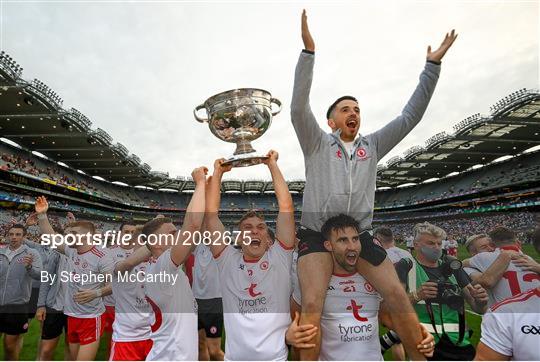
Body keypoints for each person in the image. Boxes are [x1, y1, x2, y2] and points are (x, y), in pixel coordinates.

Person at [291, 9, 457, 359]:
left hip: (358, 232)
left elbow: (410, 117)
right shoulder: (317, 143)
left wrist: (432, 68)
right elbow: (296, 108)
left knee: (397, 295)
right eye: (346, 109)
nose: (354, 113)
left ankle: (422, 356)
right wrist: (308, 52)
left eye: (357, 109)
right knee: (312, 305)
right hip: (316, 233)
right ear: (331, 119)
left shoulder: (373, 146)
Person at [205, 151, 317, 360]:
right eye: (247, 228)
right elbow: (211, 216)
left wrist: (272, 164)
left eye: (261, 227)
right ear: (238, 239)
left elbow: (286, 207)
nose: (254, 231)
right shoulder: (227, 260)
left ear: (268, 239)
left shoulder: (280, 258)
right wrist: (218, 173)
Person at [293, 215, 435, 360]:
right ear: (328, 245)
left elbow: (387, 318)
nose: (352, 246)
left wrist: (421, 335)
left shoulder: (373, 279)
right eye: (343, 240)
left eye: (355, 239)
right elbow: (300, 335)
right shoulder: (314, 285)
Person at [120, 166, 207, 361]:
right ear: (156, 243)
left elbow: (193, 228)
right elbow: (192, 226)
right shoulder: (162, 267)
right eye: (171, 234)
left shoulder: (160, 265)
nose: (177, 236)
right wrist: (200, 183)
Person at [35, 197, 114, 361]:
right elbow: (50, 236)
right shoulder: (71, 251)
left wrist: (96, 293)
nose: (68, 236)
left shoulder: (102, 256)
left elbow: (114, 285)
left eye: (73, 233)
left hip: (91, 317)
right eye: (68, 233)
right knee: (71, 357)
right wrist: (42, 215)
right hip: (72, 315)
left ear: (88, 236)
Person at [395, 222, 489, 360]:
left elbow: (478, 308)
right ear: (416, 245)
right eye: (431, 243)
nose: (437, 247)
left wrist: (481, 300)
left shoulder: (452, 266)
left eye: (439, 243)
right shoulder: (406, 266)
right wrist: (417, 295)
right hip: (423, 343)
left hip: (458, 342)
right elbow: (394, 308)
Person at [474, 229, 540, 361]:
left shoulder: (481, 258)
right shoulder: (528, 259)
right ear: (518, 243)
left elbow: (485, 280)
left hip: (509, 316)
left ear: (492, 245)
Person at [466, 226, 540, 307]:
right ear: (518, 243)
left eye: (491, 245)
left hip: (507, 312)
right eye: (484, 247)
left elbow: (460, 264)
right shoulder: (528, 259)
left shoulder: (483, 257)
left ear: (493, 243)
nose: (490, 249)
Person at [0, 224, 43, 360]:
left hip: (17, 305)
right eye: (11, 234)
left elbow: (40, 275)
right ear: (7, 236)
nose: (14, 237)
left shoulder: (31, 253)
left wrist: (29, 267)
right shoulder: (1, 252)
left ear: (24, 237)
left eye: (18, 234)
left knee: (9, 346)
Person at [373, 226, 413, 360]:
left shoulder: (381, 255)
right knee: (399, 338)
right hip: (410, 300)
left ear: (378, 238)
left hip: (389, 301)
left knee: (392, 339)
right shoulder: (407, 254)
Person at [192, 244, 225, 361]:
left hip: (214, 301)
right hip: (196, 301)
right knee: (200, 346)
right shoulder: (198, 246)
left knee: (214, 351)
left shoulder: (221, 246)